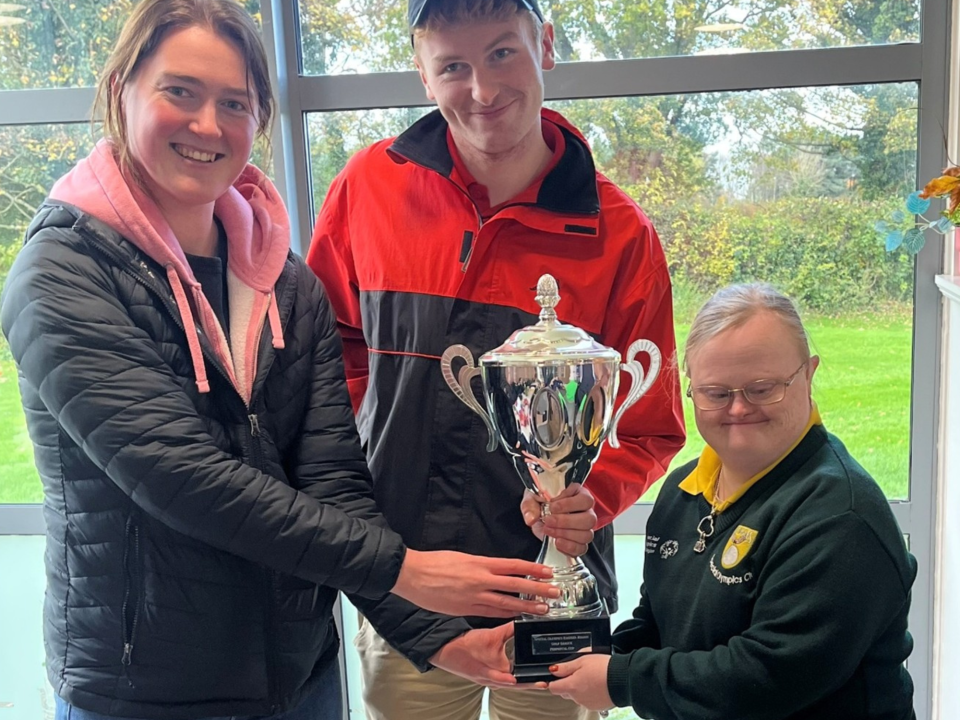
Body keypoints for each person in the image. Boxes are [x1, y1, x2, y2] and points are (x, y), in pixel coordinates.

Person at [0, 2, 569, 719]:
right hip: (144, 690)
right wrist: (407, 571)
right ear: (122, 90)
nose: (208, 125)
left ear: (260, 119)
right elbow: (183, 479)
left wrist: (435, 638)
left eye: (234, 103)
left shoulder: (285, 283)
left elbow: (333, 478)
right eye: (181, 92)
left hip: (299, 678)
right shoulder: (62, 272)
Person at [305, 0, 686, 718]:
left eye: (503, 53)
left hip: (552, 596)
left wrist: (588, 498)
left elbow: (651, 427)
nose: (481, 90)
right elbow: (331, 362)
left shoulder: (620, 235)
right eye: (453, 65)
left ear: (545, 43)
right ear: (423, 73)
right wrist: (375, 456)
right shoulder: (366, 191)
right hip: (408, 590)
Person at [545, 283, 917, 720]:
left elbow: (766, 679)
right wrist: (574, 653)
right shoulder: (683, 491)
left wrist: (619, 679)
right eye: (716, 393)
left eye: (762, 389)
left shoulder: (840, 516)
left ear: (809, 373)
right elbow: (658, 622)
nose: (739, 409)